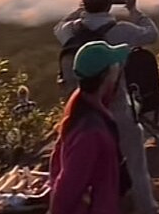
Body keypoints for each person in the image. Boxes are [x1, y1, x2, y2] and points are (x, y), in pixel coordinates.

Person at [54, 0, 159, 214]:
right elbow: (152, 34)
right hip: (119, 112)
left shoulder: (69, 31)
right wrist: (133, 10)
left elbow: (58, 26)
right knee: (137, 166)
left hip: (80, 113)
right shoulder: (122, 31)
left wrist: (82, 9)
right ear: (110, 3)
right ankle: (147, 208)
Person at [50, 41, 131, 214]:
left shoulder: (81, 101)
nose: (118, 70)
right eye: (115, 66)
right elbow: (68, 188)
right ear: (105, 76)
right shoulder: (90, 133)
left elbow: (57, 156)